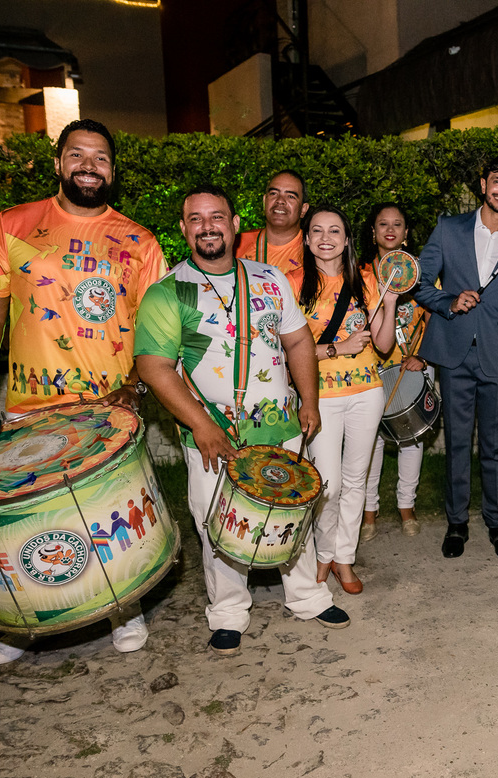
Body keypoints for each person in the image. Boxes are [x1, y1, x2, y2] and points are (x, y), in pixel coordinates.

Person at [0, 118, 166, 666]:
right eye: (77, 155)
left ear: (112, 171)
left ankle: (126, 608)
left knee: (108, 513)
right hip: (33, 404)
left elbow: (157, 327)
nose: (88, 166)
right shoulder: (13, 225)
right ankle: (23, 625)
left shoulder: (141, 242)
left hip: (108, 408)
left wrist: (135, 384)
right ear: (58, 163)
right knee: (31, 520)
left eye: (100, 158)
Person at [135, 184, 334, 656]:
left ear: (234, 224)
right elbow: (153, 367)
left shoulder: (269, 278)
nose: (208, 226)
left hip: (279, 426)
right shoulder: (168, 293)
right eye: (196, 219)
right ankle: (227, 611)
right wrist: (200, 426)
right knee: (216, 524)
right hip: (211, 433)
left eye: (217, 216)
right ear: (184, 229)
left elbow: (299, 342)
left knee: (293, 509)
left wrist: (310, 400)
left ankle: (306, 595)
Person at [414, 154, 498, 562]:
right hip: (454, 351)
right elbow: (419, 283)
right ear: (483, 184)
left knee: (495, 445)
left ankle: (497, 524)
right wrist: (449, 300)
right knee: (457, 443)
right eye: (497, 180)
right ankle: (456, 523)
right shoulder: (449, 228)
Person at [293, 206, 398, 596]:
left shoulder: (368, 280)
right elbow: (287, 351)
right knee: (329, 485)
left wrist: (389, 306)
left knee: (356, 481)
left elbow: (384, 345)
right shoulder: (291, 283)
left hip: (366, 392)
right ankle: (322, 553)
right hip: (319, 396)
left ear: (347, 239)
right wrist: (337, 348)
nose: (325, 237)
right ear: (305, 239)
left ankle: (344, 558)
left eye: (334, 230)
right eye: (316, 230)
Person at [359, 203, 429, 540]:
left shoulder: (422, 273)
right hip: (370, 370)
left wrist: (425, 357)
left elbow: (437, 320)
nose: (390, 229)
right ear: (373, 233)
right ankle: (368, 512)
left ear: (406, 234)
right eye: (382, 224)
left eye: (397, 224)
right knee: (368, 442)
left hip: (411, 368)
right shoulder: (358, 274)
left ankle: (406, 507)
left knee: (411, 439)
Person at [235, 170, 309, 276]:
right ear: (265, 201)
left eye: (291, 196)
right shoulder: (237, 244)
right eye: (274, 193)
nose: (280, 200)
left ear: (303, 209)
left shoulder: (313, 250)